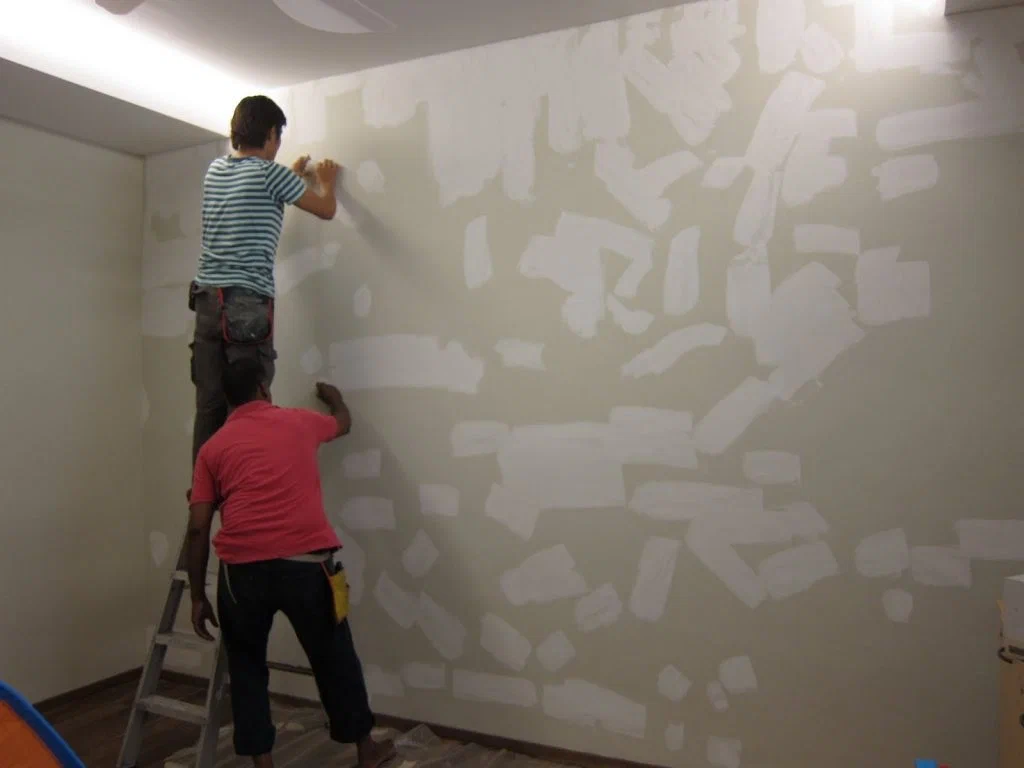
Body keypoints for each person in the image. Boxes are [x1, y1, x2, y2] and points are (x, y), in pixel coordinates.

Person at [186, 358, 395, 768]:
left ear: (227, 400)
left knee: (246, 668)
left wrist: (196, 596)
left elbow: (197, 527)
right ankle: (365, 750)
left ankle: (263, 764)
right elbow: (343, 423)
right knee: (335, 658)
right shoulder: (299, 421)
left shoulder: (212, 448)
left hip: (240, 576)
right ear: (264, 389)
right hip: (306, 566)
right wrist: (335, 399)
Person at [189, 94, 342, 464]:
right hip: (246, 305)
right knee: (249, 407)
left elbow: (254, 191)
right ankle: (249, 485)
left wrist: (289, 173)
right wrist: (326, 181)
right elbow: (325, 209)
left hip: (208, 300)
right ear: (272, 134)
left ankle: (203, 491)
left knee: (210, 403)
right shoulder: (270, 175)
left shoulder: (216, 170)